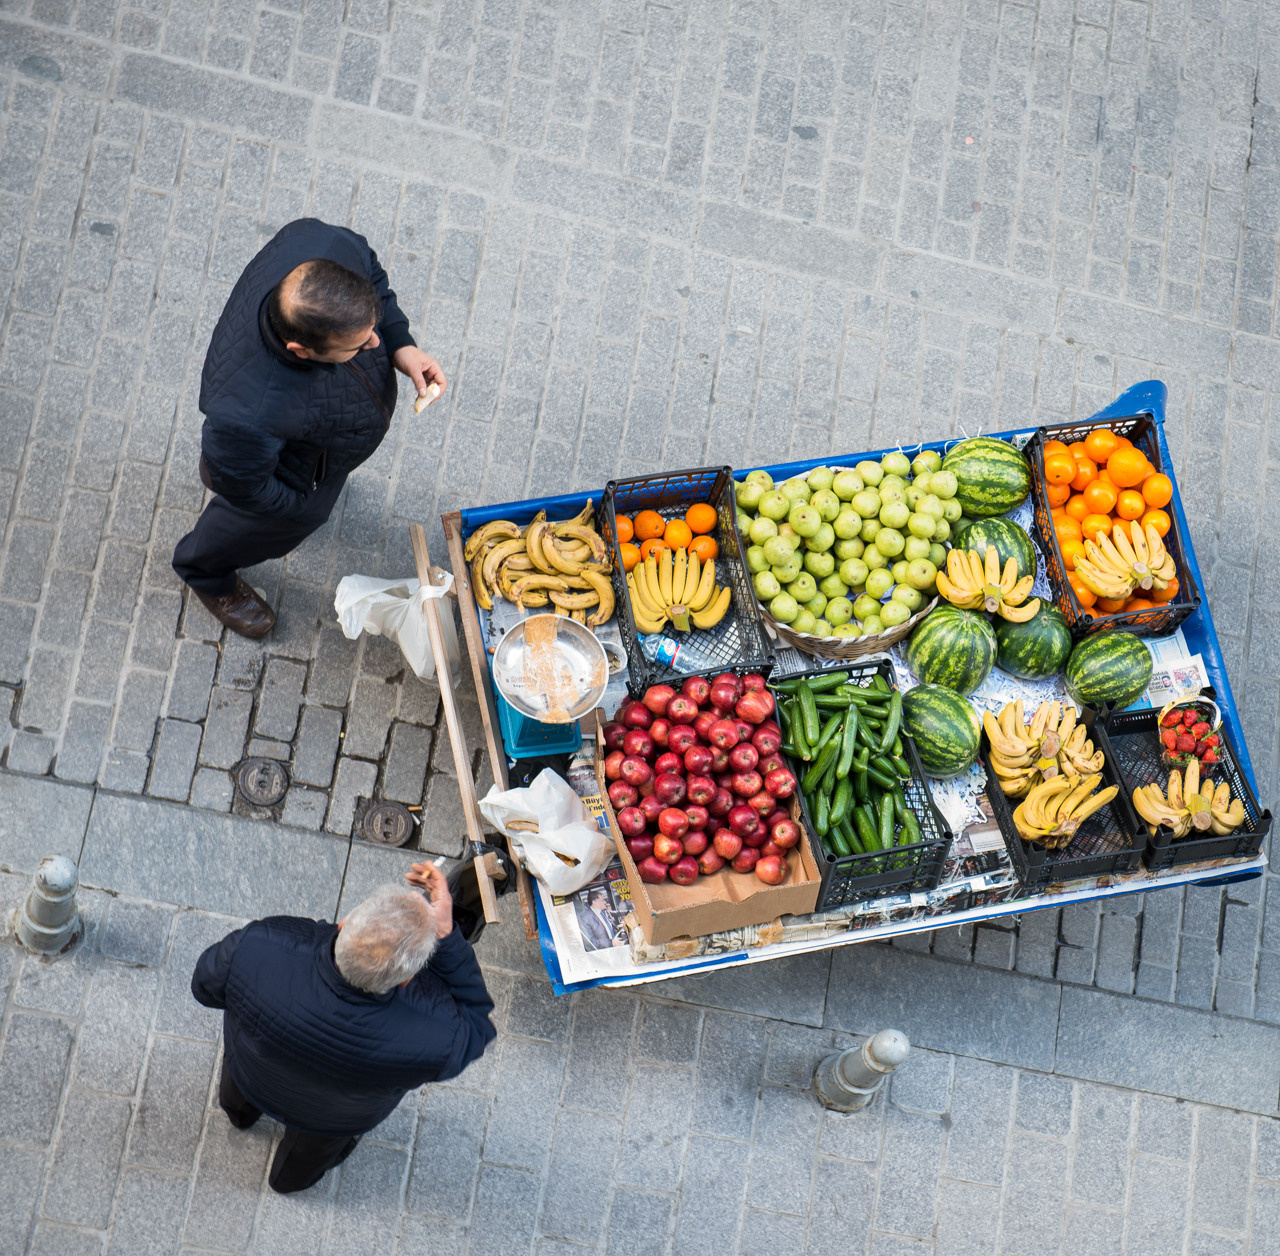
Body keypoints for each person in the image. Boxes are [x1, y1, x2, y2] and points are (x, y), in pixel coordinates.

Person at [172, 217, 446, 637]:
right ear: (301, 350)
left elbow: (370, 272)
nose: (375, 345)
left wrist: (401, 341)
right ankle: (205, 572)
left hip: (318, 444)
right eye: (358, 345)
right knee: (253, 522)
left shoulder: (321, 242)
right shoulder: (245, 415)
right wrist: (301, 508)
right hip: (278, 472)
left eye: (373, 332)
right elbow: (246, 486)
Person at [191, 864, 493, 1193]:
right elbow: (477, 1023)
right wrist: (446, 938)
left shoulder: (258, 947)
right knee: (305, 1158)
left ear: (346, 923)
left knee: (239, 1096)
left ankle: (239, 1116)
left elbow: (204, 988)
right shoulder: (440, 1036)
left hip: (253, 1072)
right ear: (407, 978)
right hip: (334, 1119)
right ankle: (285, 1183)